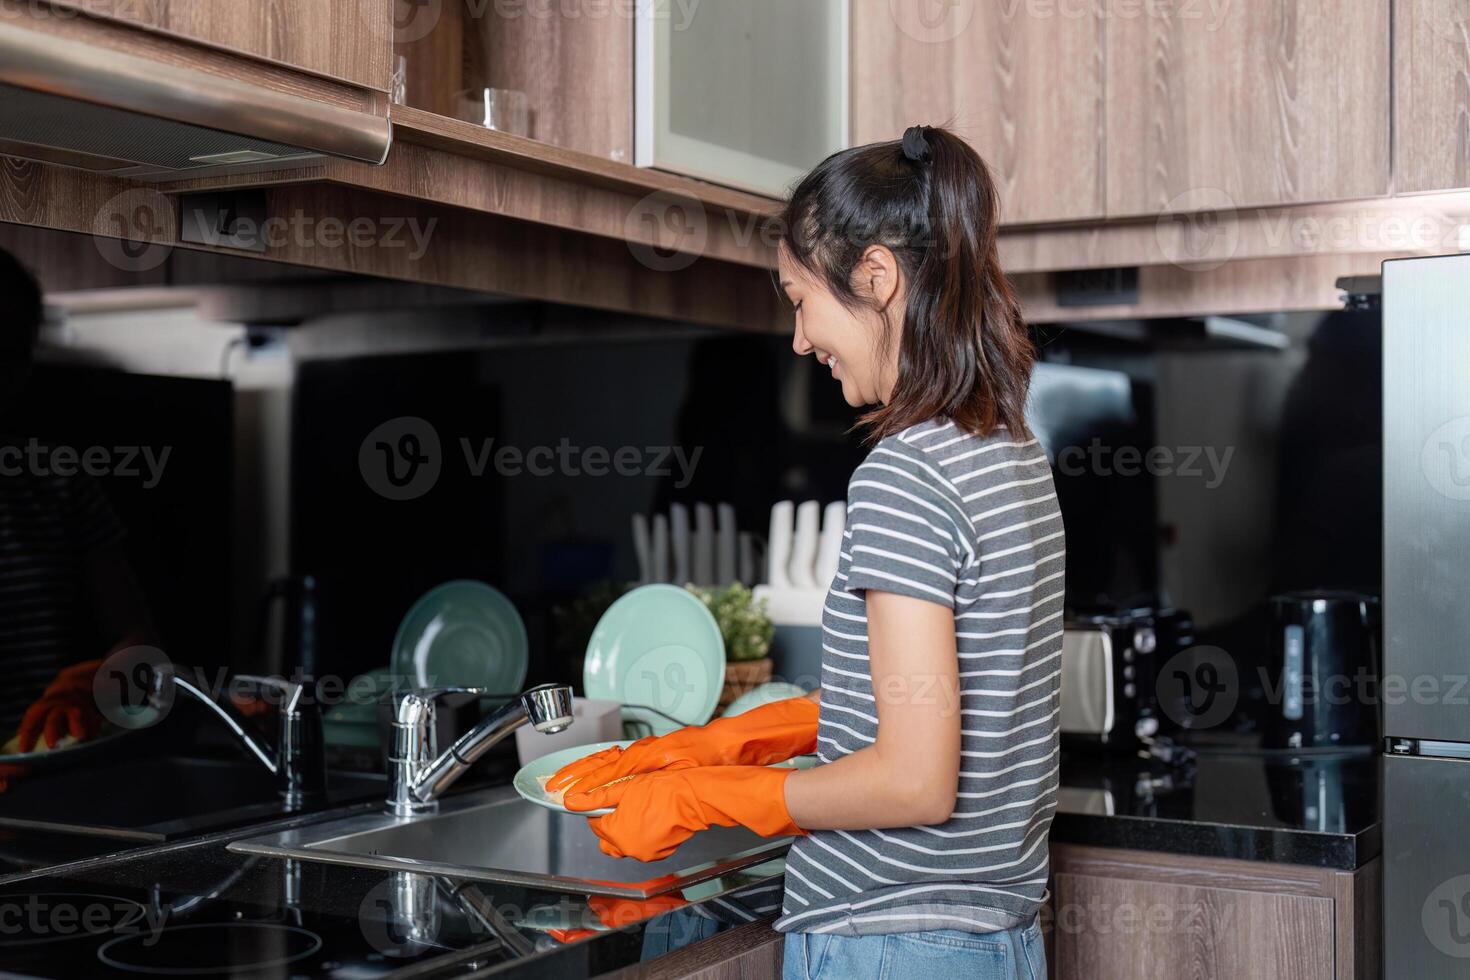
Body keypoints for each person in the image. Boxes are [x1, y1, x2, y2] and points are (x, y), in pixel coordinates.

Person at [550, 125, 1062, 979]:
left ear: (876, 276)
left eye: (798, 299)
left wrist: (703, 795)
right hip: (989, 939)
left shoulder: (905, 473)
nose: (799, 339)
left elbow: (915, 782)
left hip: (890, 943)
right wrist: (739, 738)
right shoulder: (1007, 448)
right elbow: (940, 707)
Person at [0, 247, 154, 786]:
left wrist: (95, 684)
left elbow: (135, 640)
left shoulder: (58, 481)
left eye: (10, 354)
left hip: (42, 779)